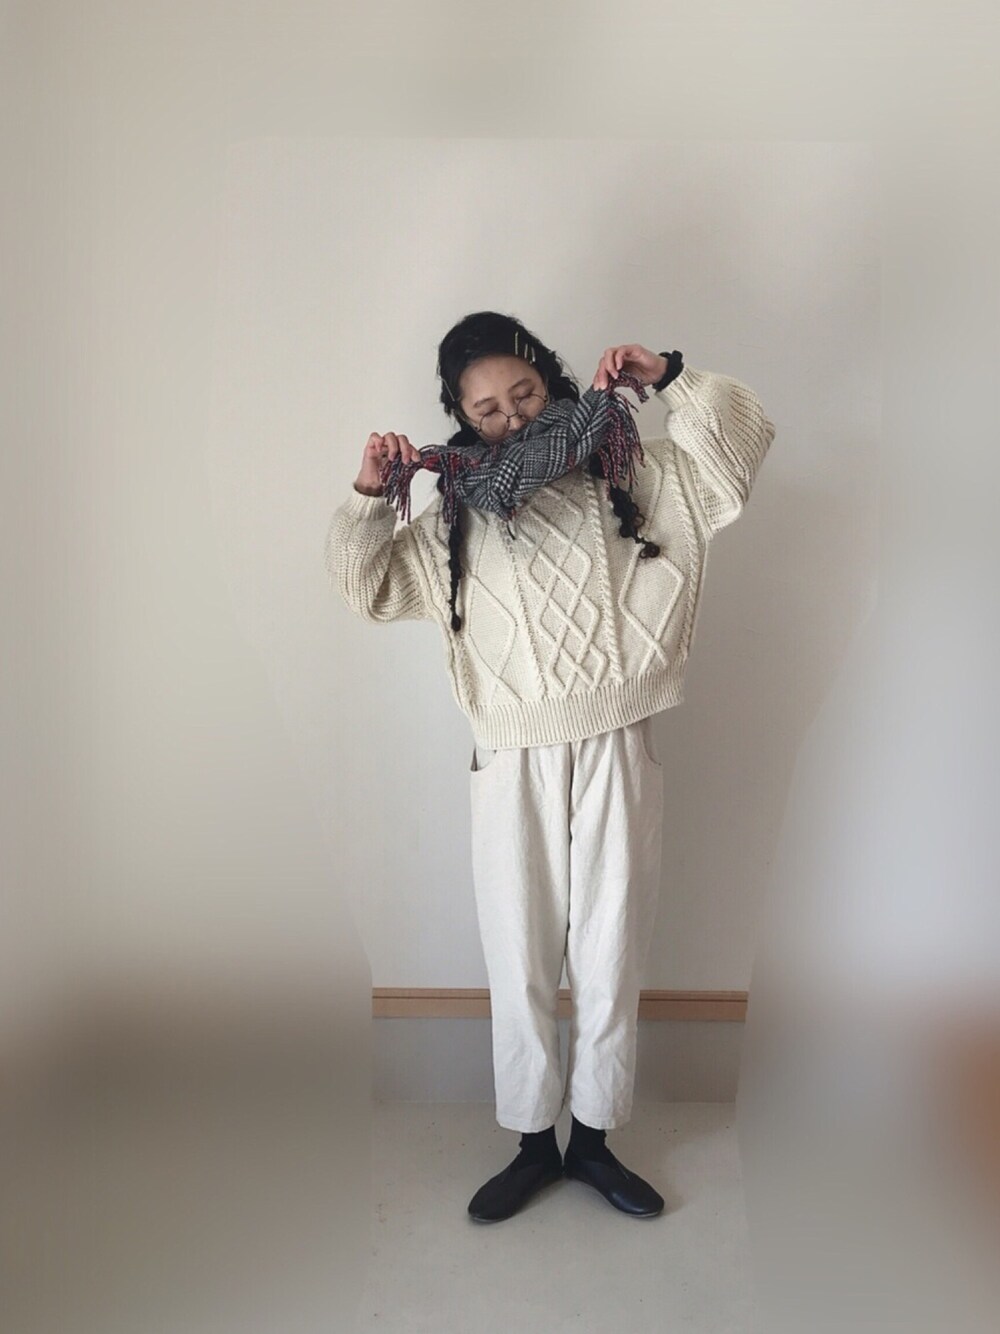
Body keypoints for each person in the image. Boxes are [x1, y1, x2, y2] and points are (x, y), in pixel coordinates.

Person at [325, 310, 775, 1223]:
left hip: (617, 741)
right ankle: (534, 1143)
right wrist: (370, 494)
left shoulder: (628, 465)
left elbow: (738, 452)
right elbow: (364, 587)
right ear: (458, 414)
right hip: (511, 755)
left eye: (525, 393)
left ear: (550, 375)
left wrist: (670, 374)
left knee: (612, 948)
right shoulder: (455, 509)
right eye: (485, 409)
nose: (511, 419)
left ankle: (596, 1143)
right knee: (520, 953)